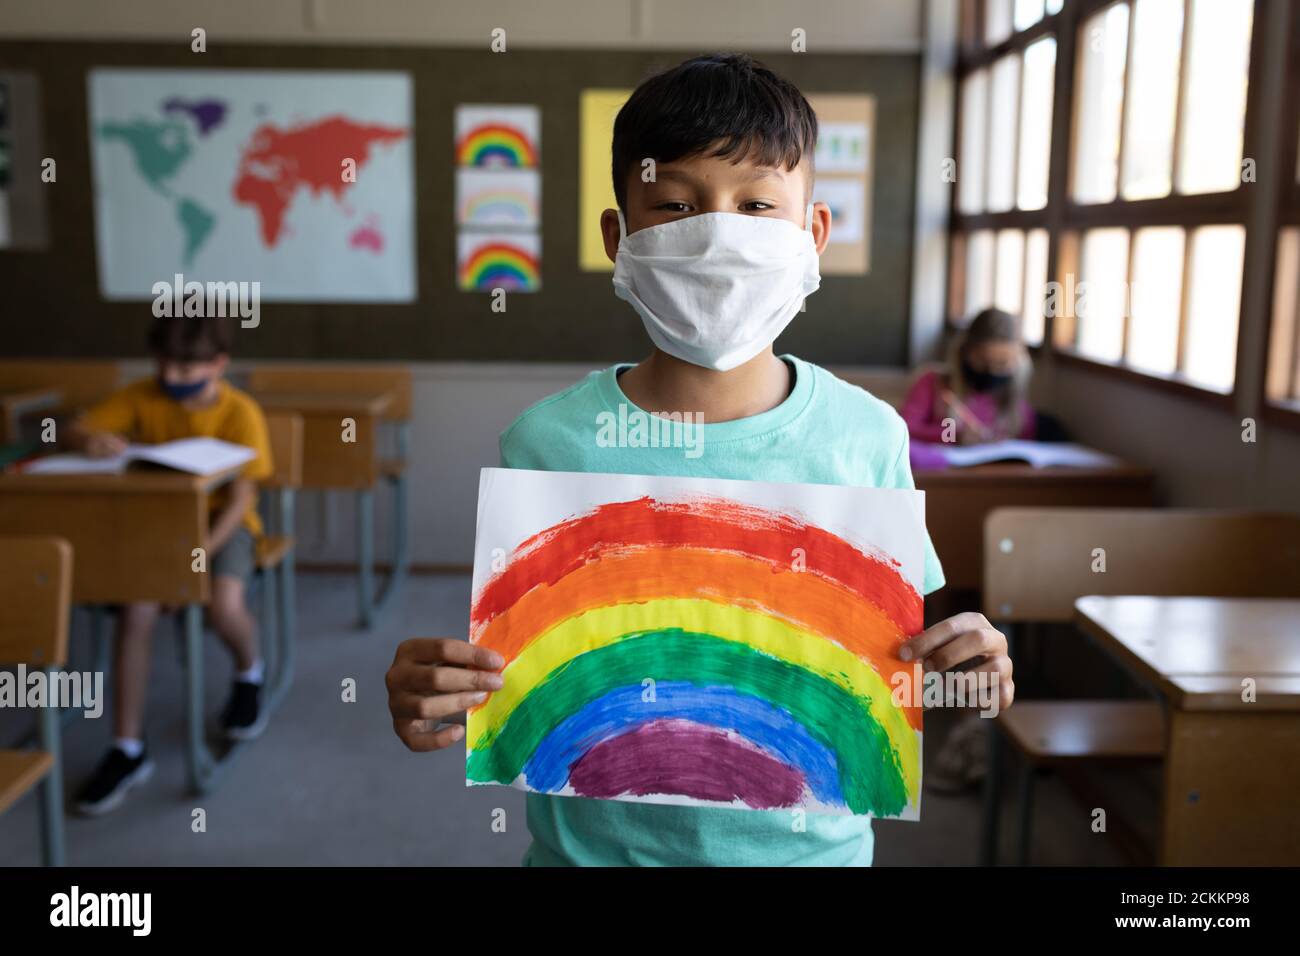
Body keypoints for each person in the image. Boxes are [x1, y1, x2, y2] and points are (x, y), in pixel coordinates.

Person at [387, 53, 1014, 865]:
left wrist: (973, 676)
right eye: (676, 205)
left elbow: (896, 672)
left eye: (757, 204)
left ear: (812, 234)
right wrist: (430, 695)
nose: (720, 235)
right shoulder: (546, 443)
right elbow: (525, 682)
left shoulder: (868, 438)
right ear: (619, 236)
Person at [67, 314, 273, 815]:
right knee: (136, 614)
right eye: (165, 367)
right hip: (158, 530)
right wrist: (88, 441)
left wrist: (198, 551)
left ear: (220, 364)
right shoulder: (140, 395)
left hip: (224, 529)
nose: (174, 379)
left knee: (223, 606)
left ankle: (249, 672)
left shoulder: (240, 411)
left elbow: (241, 497)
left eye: (188, 369)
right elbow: (76, 428)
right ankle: (127, 749)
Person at [901, 308, 1036, 445]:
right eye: (983, 362)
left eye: (1002, 364)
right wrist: (952, 435)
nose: (992, 371)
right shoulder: (932, 383)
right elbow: (904, 429)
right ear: (965, 352)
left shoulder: (1016, 402)